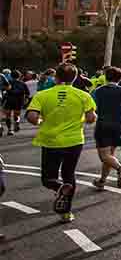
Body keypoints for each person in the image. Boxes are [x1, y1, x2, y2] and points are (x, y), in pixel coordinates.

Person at [26, 64, 97, 222]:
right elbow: (91, 118)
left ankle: (58, 187)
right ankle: (66, 212)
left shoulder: (42, 95)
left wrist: (40, 121)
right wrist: (81, 120)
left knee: (48, 178)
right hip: (74, 140)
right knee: (68, 174)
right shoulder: (83, 95)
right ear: (75, 78)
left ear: (56, 77)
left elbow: (31, 116)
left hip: (50, 140)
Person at [91, 67, 121, 190]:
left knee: (104, 156)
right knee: (110, 155)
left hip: (103, 124)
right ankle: (102, 181)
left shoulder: (98, 91)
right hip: (119, 125)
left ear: (105, 77)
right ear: (120, 78)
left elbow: (93, 108)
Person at [2, 68, 30, 135]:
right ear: (19, 76)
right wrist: (26, 100)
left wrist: (3, 100)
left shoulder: (8, 83)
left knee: (8, 116)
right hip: (18, 101)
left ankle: (9, 130)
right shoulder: (23, 84)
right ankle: (17, 122)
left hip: (9, 100)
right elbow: (27, 93)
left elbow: (3, 91)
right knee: (16, 115)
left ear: (11, 76)